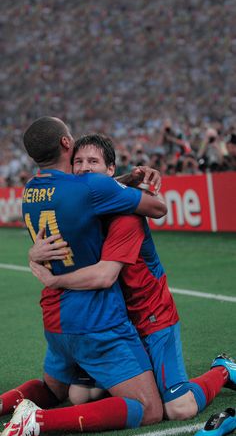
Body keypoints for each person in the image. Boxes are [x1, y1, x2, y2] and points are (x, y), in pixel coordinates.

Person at [29, 133, 236, 422]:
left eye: (93, 161)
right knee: (81, 395)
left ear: (110, 170)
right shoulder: (83, 205)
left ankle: (223, 370)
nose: (85, 167)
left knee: (178, 409)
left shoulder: (127, 213)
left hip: (151, 315)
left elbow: (105, 274)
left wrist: (54, 280)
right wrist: (33, 253)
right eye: (78, 161)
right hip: (115, 319)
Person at [2, 117, 166, 436]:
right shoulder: (92, 188)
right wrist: (128, 183)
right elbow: (156, 208)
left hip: (54, 318)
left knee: (55, 390)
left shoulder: (30, 190)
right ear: (66, 143)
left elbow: (81, 195)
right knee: (149, 409)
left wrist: (121, 179)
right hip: (96, 318)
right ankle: (37, 422)